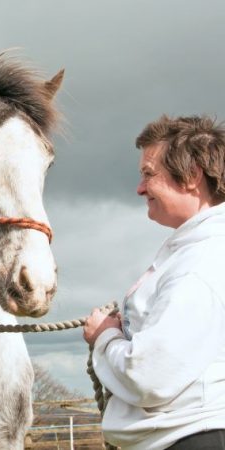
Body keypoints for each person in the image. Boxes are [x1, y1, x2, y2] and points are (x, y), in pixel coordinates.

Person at [83, 115, 225, 450]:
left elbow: (149, 376)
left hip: (192, 438)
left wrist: (105, 336)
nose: (140, 187)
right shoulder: (195, 251)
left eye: (149, 174)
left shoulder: (200, 264)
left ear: (191, 177)